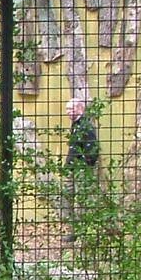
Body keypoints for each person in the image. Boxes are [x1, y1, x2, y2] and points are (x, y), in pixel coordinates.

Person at [62, 96, 99, 243]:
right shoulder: (75, 125)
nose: (68, 112)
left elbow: (92, 150)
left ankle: (82, 232)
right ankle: (74, 230)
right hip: (72, 169)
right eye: (67, 109)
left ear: (80, 109)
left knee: (80, 202)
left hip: (81, 170)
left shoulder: (86, 125)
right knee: (67, 198)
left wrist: (85, 165)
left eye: (71, 109)